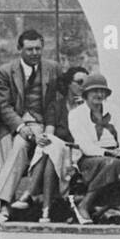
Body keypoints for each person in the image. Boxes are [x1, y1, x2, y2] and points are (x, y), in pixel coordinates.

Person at [0, 29, 58, 215]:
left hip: (39, 123)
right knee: (15, 145)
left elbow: (53, 104)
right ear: (19, 49)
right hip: (12, 124)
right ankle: (5, 203)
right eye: (30, 49)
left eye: (38, 48)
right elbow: (3, 106)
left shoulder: (52, 68)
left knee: (20, 145)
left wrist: (49, 132)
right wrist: (20, 126)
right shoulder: (6, 71)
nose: (35, 53)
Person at [10, 64, 88, 223]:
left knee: (52, 149)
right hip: (58, 151)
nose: (83, 87)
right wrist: (48, 140)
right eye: (79, 82)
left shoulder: (88, 108)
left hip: (78, 152)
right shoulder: (57, 106)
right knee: (51, 146)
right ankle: (45, 211)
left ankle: (31, 195)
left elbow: (85, 138)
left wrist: (81, 112)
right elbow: (50, 132)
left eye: (86, 83)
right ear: (68, 84)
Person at [65, 73, 120, 224]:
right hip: (89, 158)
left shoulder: (113, 109)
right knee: (112, 164)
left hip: (115, 155)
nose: (99, 94)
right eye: (95, 91)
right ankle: (85, 204)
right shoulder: (76, 114)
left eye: (102, 91)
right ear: (86, 94)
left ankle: (113, 202)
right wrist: (107, 153)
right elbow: (84, 144)